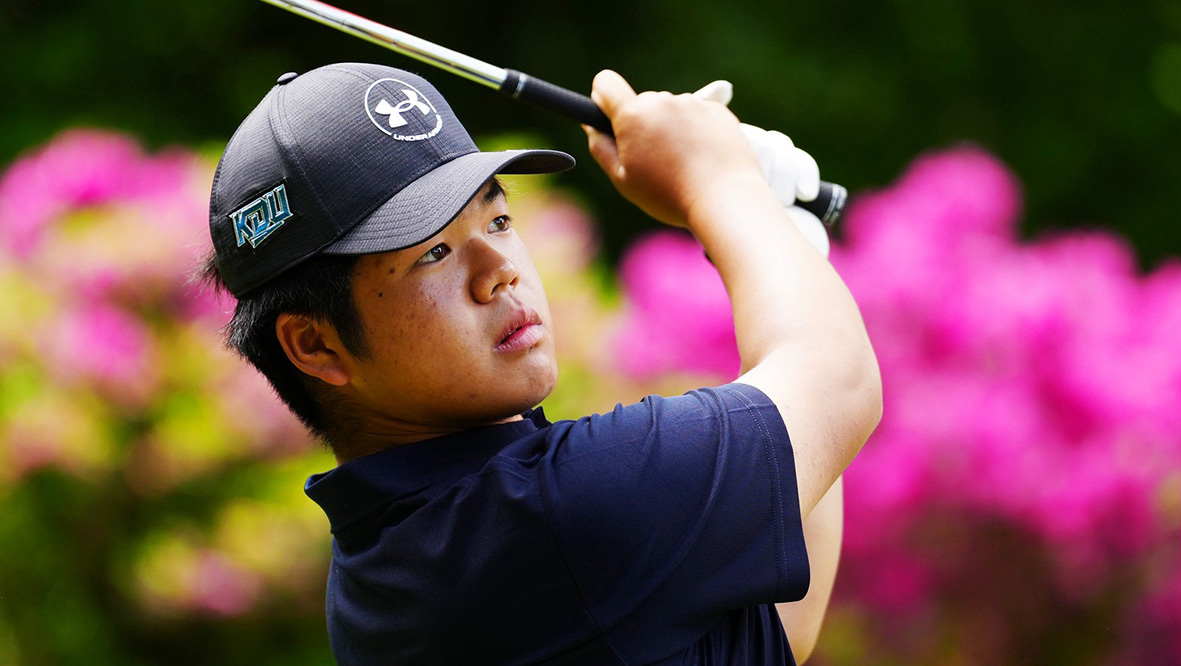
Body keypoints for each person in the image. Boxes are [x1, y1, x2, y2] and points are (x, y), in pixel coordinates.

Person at [203, 61, 881, 665]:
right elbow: (839, 382)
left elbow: (777, 631)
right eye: (432, 252)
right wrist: (721, 184)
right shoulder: (551, 514)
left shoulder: (382, 562)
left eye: (497, 221)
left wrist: (777, 232)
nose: (499, 270)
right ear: (315, 345)